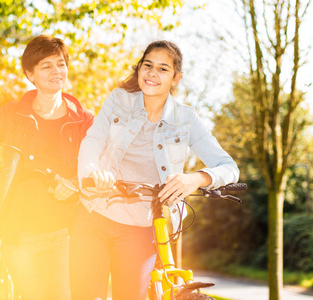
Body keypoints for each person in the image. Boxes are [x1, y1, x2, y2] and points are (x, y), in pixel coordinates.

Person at [70, 40, 239, 300]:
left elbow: (228, 167)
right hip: (96, 214)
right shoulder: (118, 101)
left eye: (163, 69)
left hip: (141, 227)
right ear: (139, 69)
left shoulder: (186, 119)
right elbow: (92, 142)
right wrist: (93, 173)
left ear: (176, 78)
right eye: (147, 65)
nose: (152, 73)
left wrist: (195, 178)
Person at [0, 35, 94, 299]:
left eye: (61, 64)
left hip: (66, 232)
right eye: (46, 66)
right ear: (30, 74)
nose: (56, 71)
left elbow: (97, 166)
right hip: (19, 231)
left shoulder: (84, 121)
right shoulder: (12, 114)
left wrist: (74, 183)